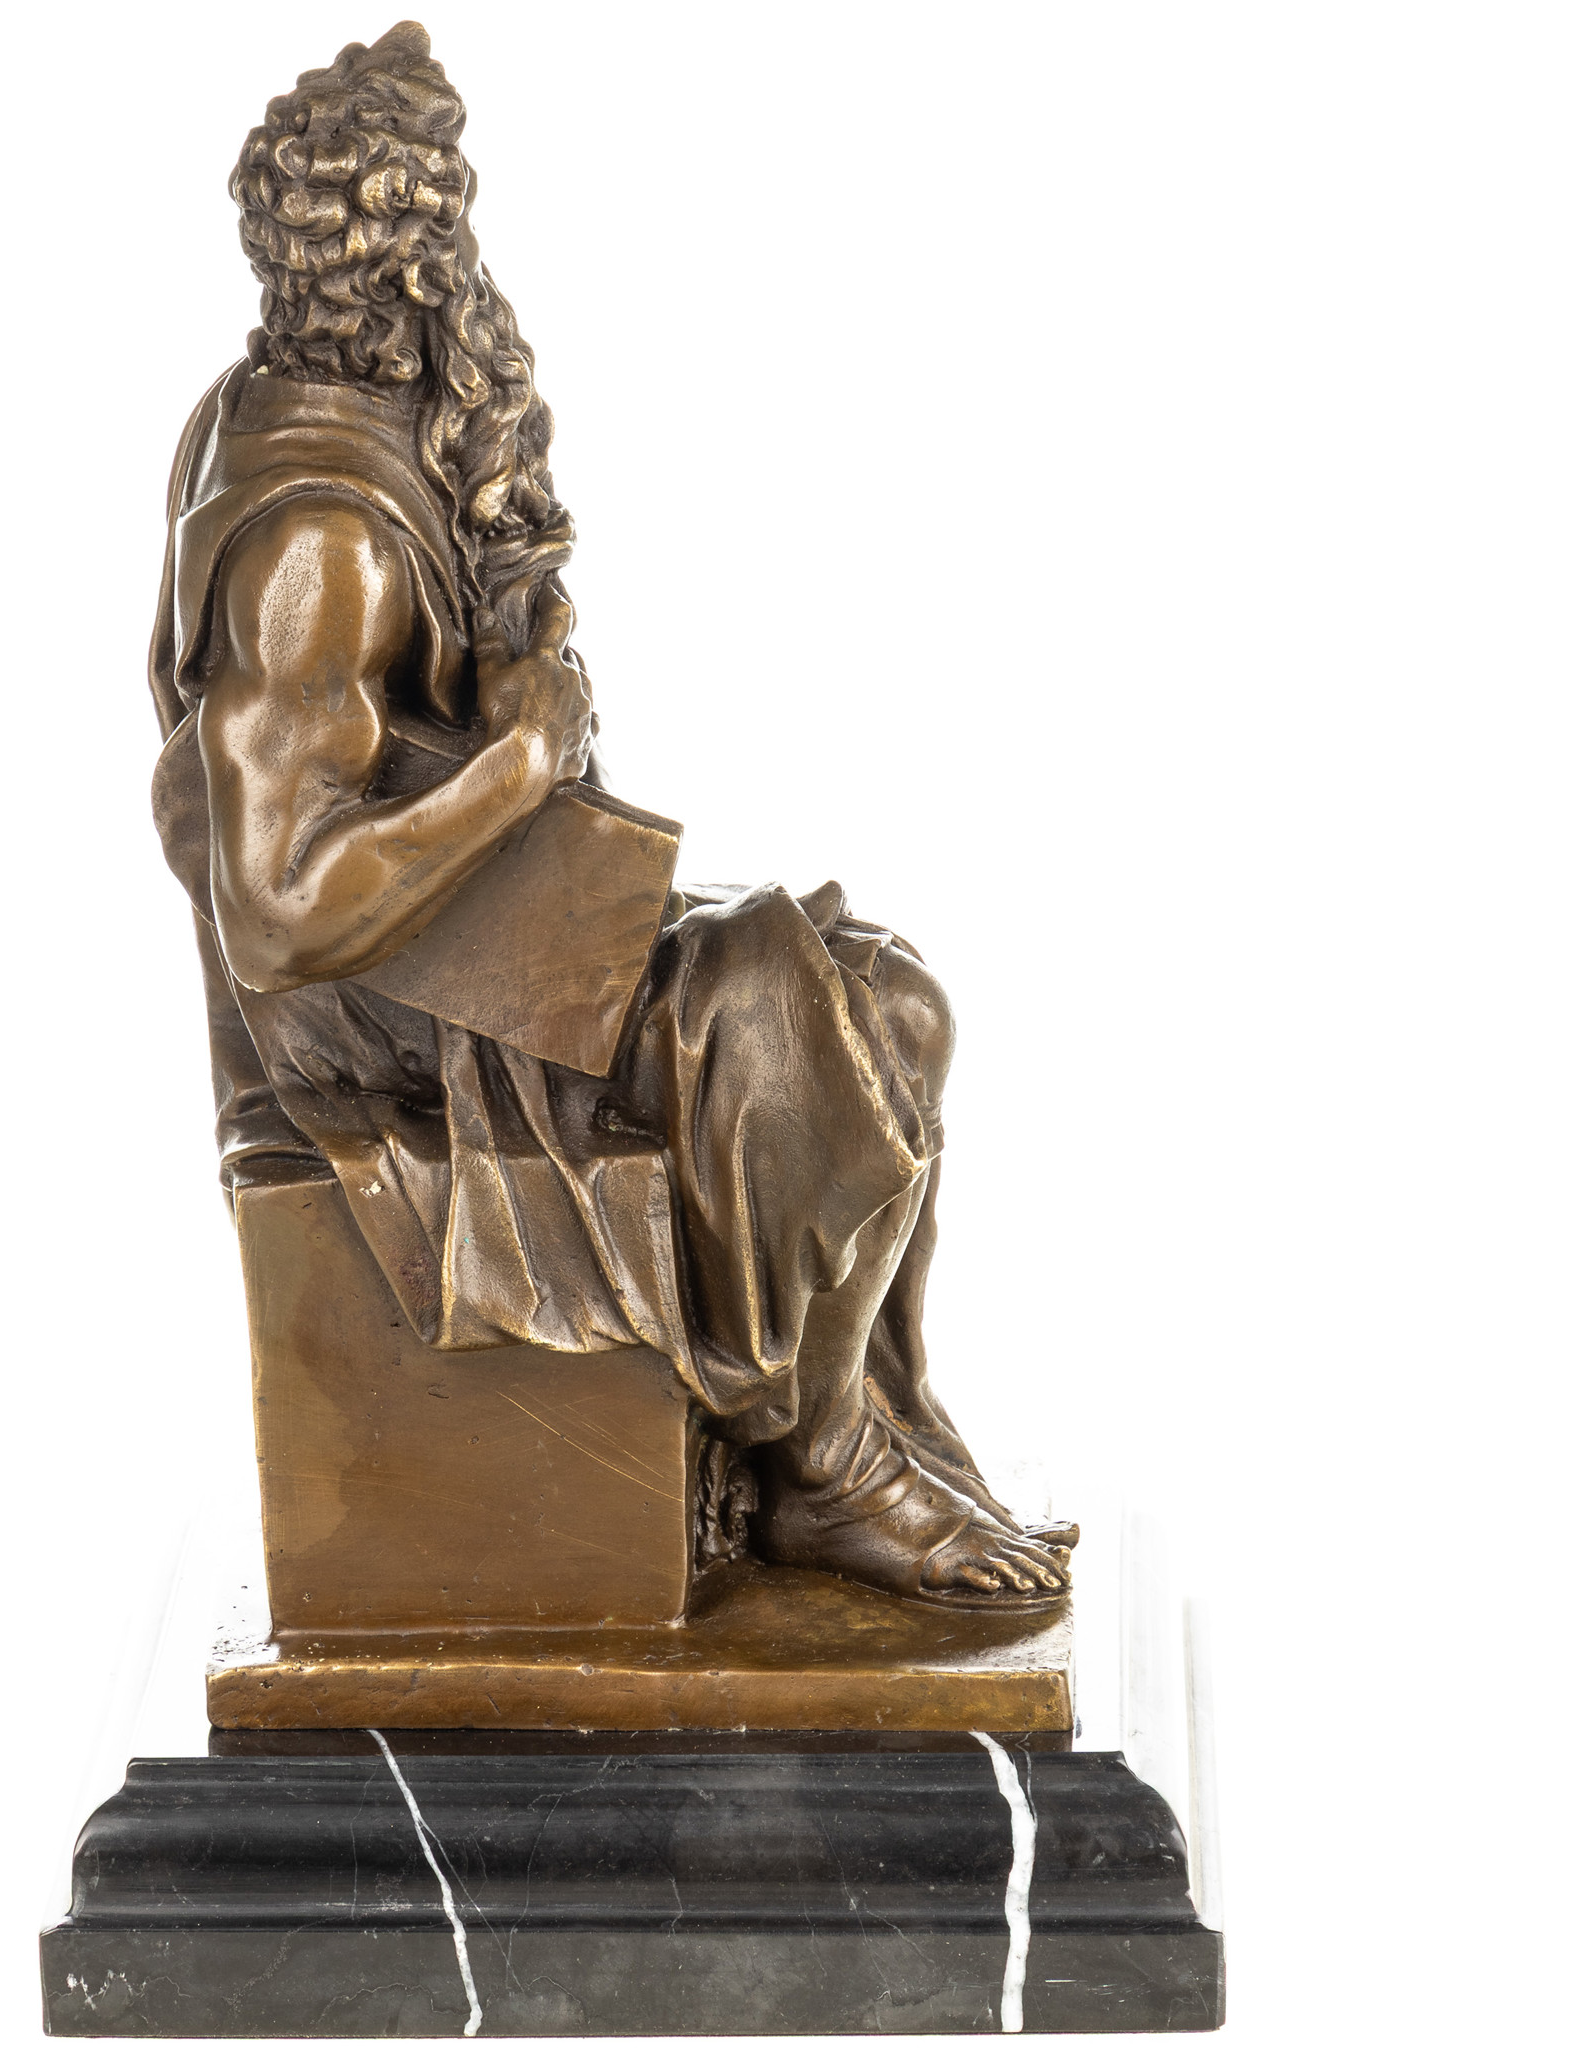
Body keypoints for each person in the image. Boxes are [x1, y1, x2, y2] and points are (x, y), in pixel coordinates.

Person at [147, 23, 1072, 1610]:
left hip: (473, 916)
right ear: (414, 249)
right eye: (439, 219)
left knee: (891, 995)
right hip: (397, 1012)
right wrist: (518, 768)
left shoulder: (338, 401)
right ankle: (826, 1469)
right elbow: (276, 910)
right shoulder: (320, 542)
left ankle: (843, 1441)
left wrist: (517, 744)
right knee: (795, 1015)